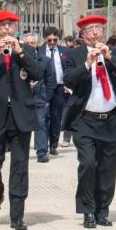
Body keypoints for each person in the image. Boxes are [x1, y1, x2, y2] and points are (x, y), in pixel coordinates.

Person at [62, 14, 116, 229]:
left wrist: (110, 58)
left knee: (107, 167)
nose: (95, 32)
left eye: (99, 28)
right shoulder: (73, 54)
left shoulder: (114, 52)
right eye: (90, 29)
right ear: (83, 34)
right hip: (85, 119)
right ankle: (87, 210)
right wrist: (87, 64)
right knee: (88, 164)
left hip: (111, 119)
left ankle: (102, 210)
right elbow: (68, 80)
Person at [0, 10, 43, 230]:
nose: (6, 30)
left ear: (15, 28)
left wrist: (21, 53)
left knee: (20, 166)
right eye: (2, 26)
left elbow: (39, 73)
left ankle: (17, 215)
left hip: (20, 115)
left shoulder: (27, 50)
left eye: (10, 26)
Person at [24, 33, 56, 163]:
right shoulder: (18, 59)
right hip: (23, 98)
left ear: (37, 44)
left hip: (40, 98)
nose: (31, 45)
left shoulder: (45, 60)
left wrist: (47, 98)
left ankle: (41, 152)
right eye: (28, 43)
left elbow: (50, 80)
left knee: (41, 124)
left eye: (33, 43)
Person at [39, 27, 70, 155]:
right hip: (45, 88)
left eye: (55, 40)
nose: (52, 42)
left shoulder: (64, 51)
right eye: (49, 40)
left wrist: (69, 85)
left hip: (59, 88)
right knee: (44, 117)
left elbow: (68, 69)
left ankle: (53, 145)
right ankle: (43, 145)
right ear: (45, 39)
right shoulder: (39, 51)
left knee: (56, 118)